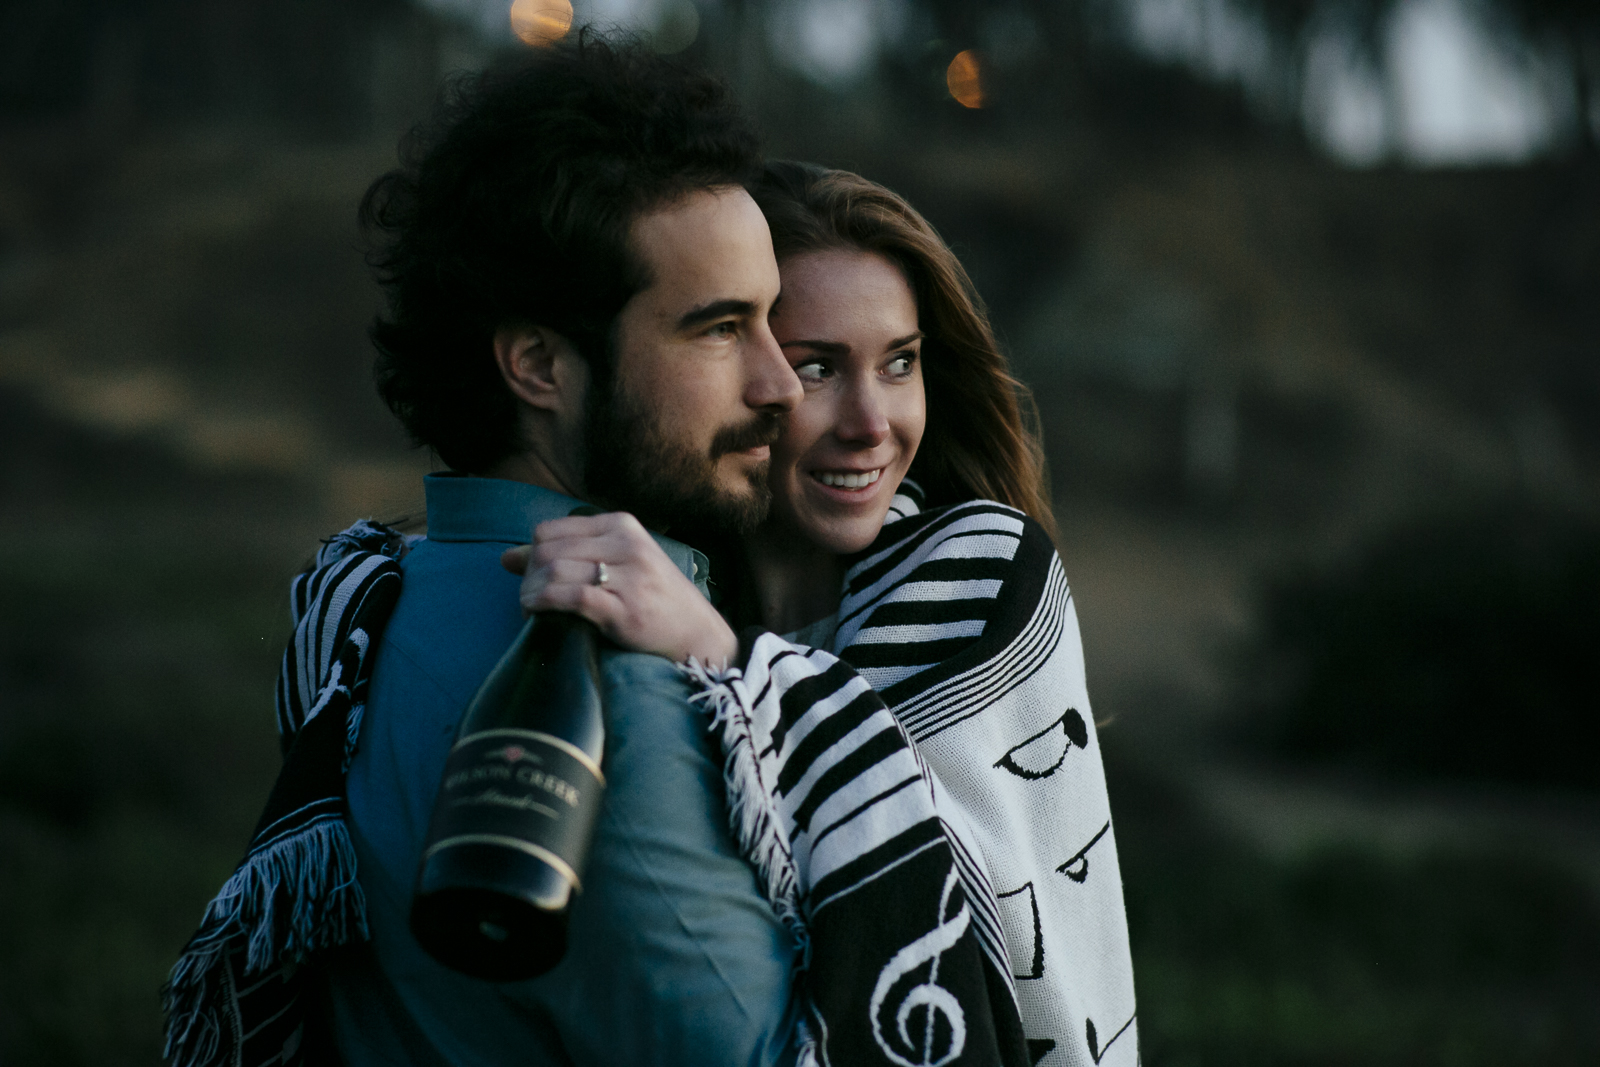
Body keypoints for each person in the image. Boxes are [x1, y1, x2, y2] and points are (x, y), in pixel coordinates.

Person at [165, 38, 808, 1067]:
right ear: (540, 363)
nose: (781, 383)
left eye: (773, 321)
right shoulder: (616, 688)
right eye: (721, 329)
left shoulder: (378, 608)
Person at [510, 163, 1140, 1065]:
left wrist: (715, 652)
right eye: (817, 369)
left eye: (901, 362)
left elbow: (932, 917)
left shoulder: (980, 567)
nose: (871, 421)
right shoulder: (674, 576)